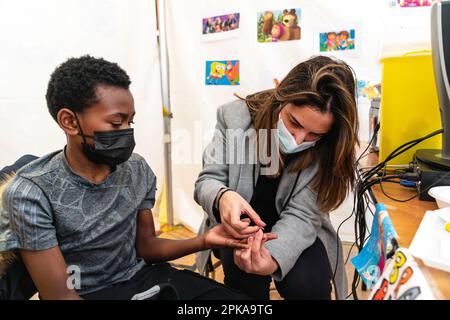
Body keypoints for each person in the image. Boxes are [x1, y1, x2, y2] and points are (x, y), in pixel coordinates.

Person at [0, 55, 273, 300]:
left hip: (145, 280)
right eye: (116, 123)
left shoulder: (137, 169)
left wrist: (205, 240)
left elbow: (146, 247)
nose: (126, 132)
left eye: (130, 122)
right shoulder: (31, 193)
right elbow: (60, 295)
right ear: (70, 122)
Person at [194, 55, 359, 300]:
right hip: (238, 228)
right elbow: (207, 181)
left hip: (297, 226)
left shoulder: (330, 148)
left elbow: (303, 215)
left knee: (308, 286)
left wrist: (272, 258)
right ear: (282, 94)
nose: (298, 139)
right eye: (294, 122)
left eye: (314, 134)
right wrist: (222, 197)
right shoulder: (234, 117)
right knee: (243, 278)